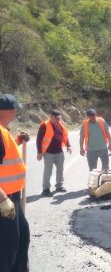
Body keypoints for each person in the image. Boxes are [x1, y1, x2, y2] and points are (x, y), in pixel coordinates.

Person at [0, 94, 30, 272]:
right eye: (15, 110)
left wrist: (18, 141)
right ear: (9, 111)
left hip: (13, 199)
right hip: (4, 200)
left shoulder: (4, 131)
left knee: (22, 237)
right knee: (8, 246)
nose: (16, 113)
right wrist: (2, 199)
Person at [37, 109, 71, 197]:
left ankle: (59, 186)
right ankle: (46, 189)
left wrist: (68, 145)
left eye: (59, 118)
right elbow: (39, 139)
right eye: (56, 118)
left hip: (59, 152)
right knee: (48, 171)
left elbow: (64, 135)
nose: (58, 120)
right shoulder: (44, 125)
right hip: (48, 153)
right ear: (51, 117)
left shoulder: (60, 124)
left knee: (60, 170)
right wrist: (39, 152)